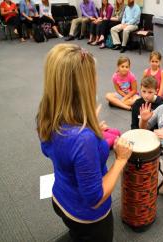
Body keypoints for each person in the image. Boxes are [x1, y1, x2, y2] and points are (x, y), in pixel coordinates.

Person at [36, 43, 132, 242]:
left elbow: (49, 150)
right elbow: (95, 198)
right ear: (84, 85)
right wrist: (121, 160)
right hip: (86, 216)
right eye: (93, 75)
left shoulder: (46, 113)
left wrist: (89, 125)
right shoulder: (83, 138)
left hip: (60, 198)